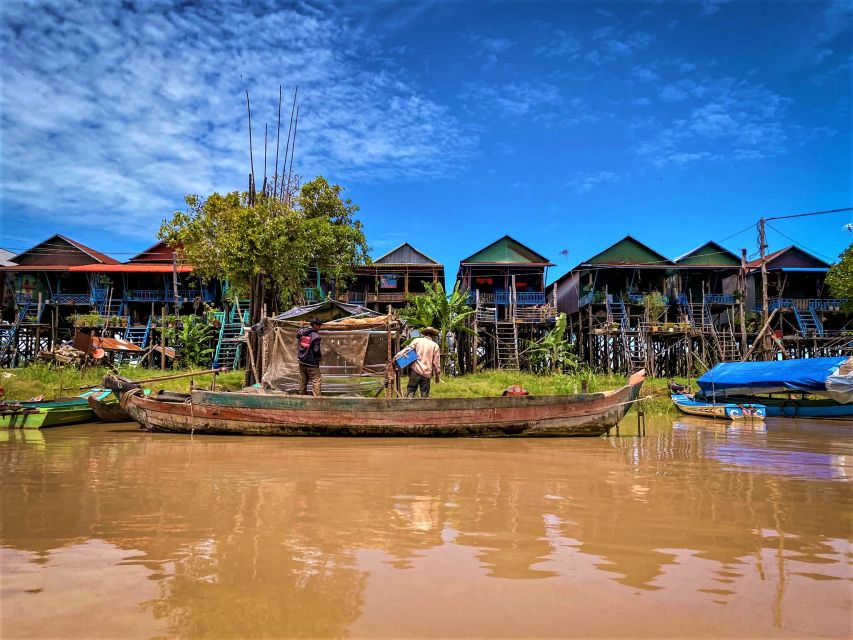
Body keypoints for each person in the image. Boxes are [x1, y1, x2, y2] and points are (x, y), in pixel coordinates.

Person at [407, 327, 441, 398]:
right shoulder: (435, 345)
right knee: (424, 393)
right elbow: (436, 363)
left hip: (415, 370)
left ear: (424, 334)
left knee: (411, 390)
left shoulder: (417, 340)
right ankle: (424, 407)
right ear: (433, 336)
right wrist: (437, 376)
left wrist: (396, 357)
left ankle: (408, 406)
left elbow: (407, 351)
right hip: (427, 373)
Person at [297, 318, 323, 396]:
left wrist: (301, 326)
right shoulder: (316, 337)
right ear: (314, 325)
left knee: (303, 381)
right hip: (312, 363)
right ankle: (316, 400)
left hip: (302, 361)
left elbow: (298, 334)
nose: (319, 327)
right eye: (318, 325)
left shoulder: (302, 332)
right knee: (316, 381)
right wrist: (320, 356)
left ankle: (301, 398)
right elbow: (316, 350)